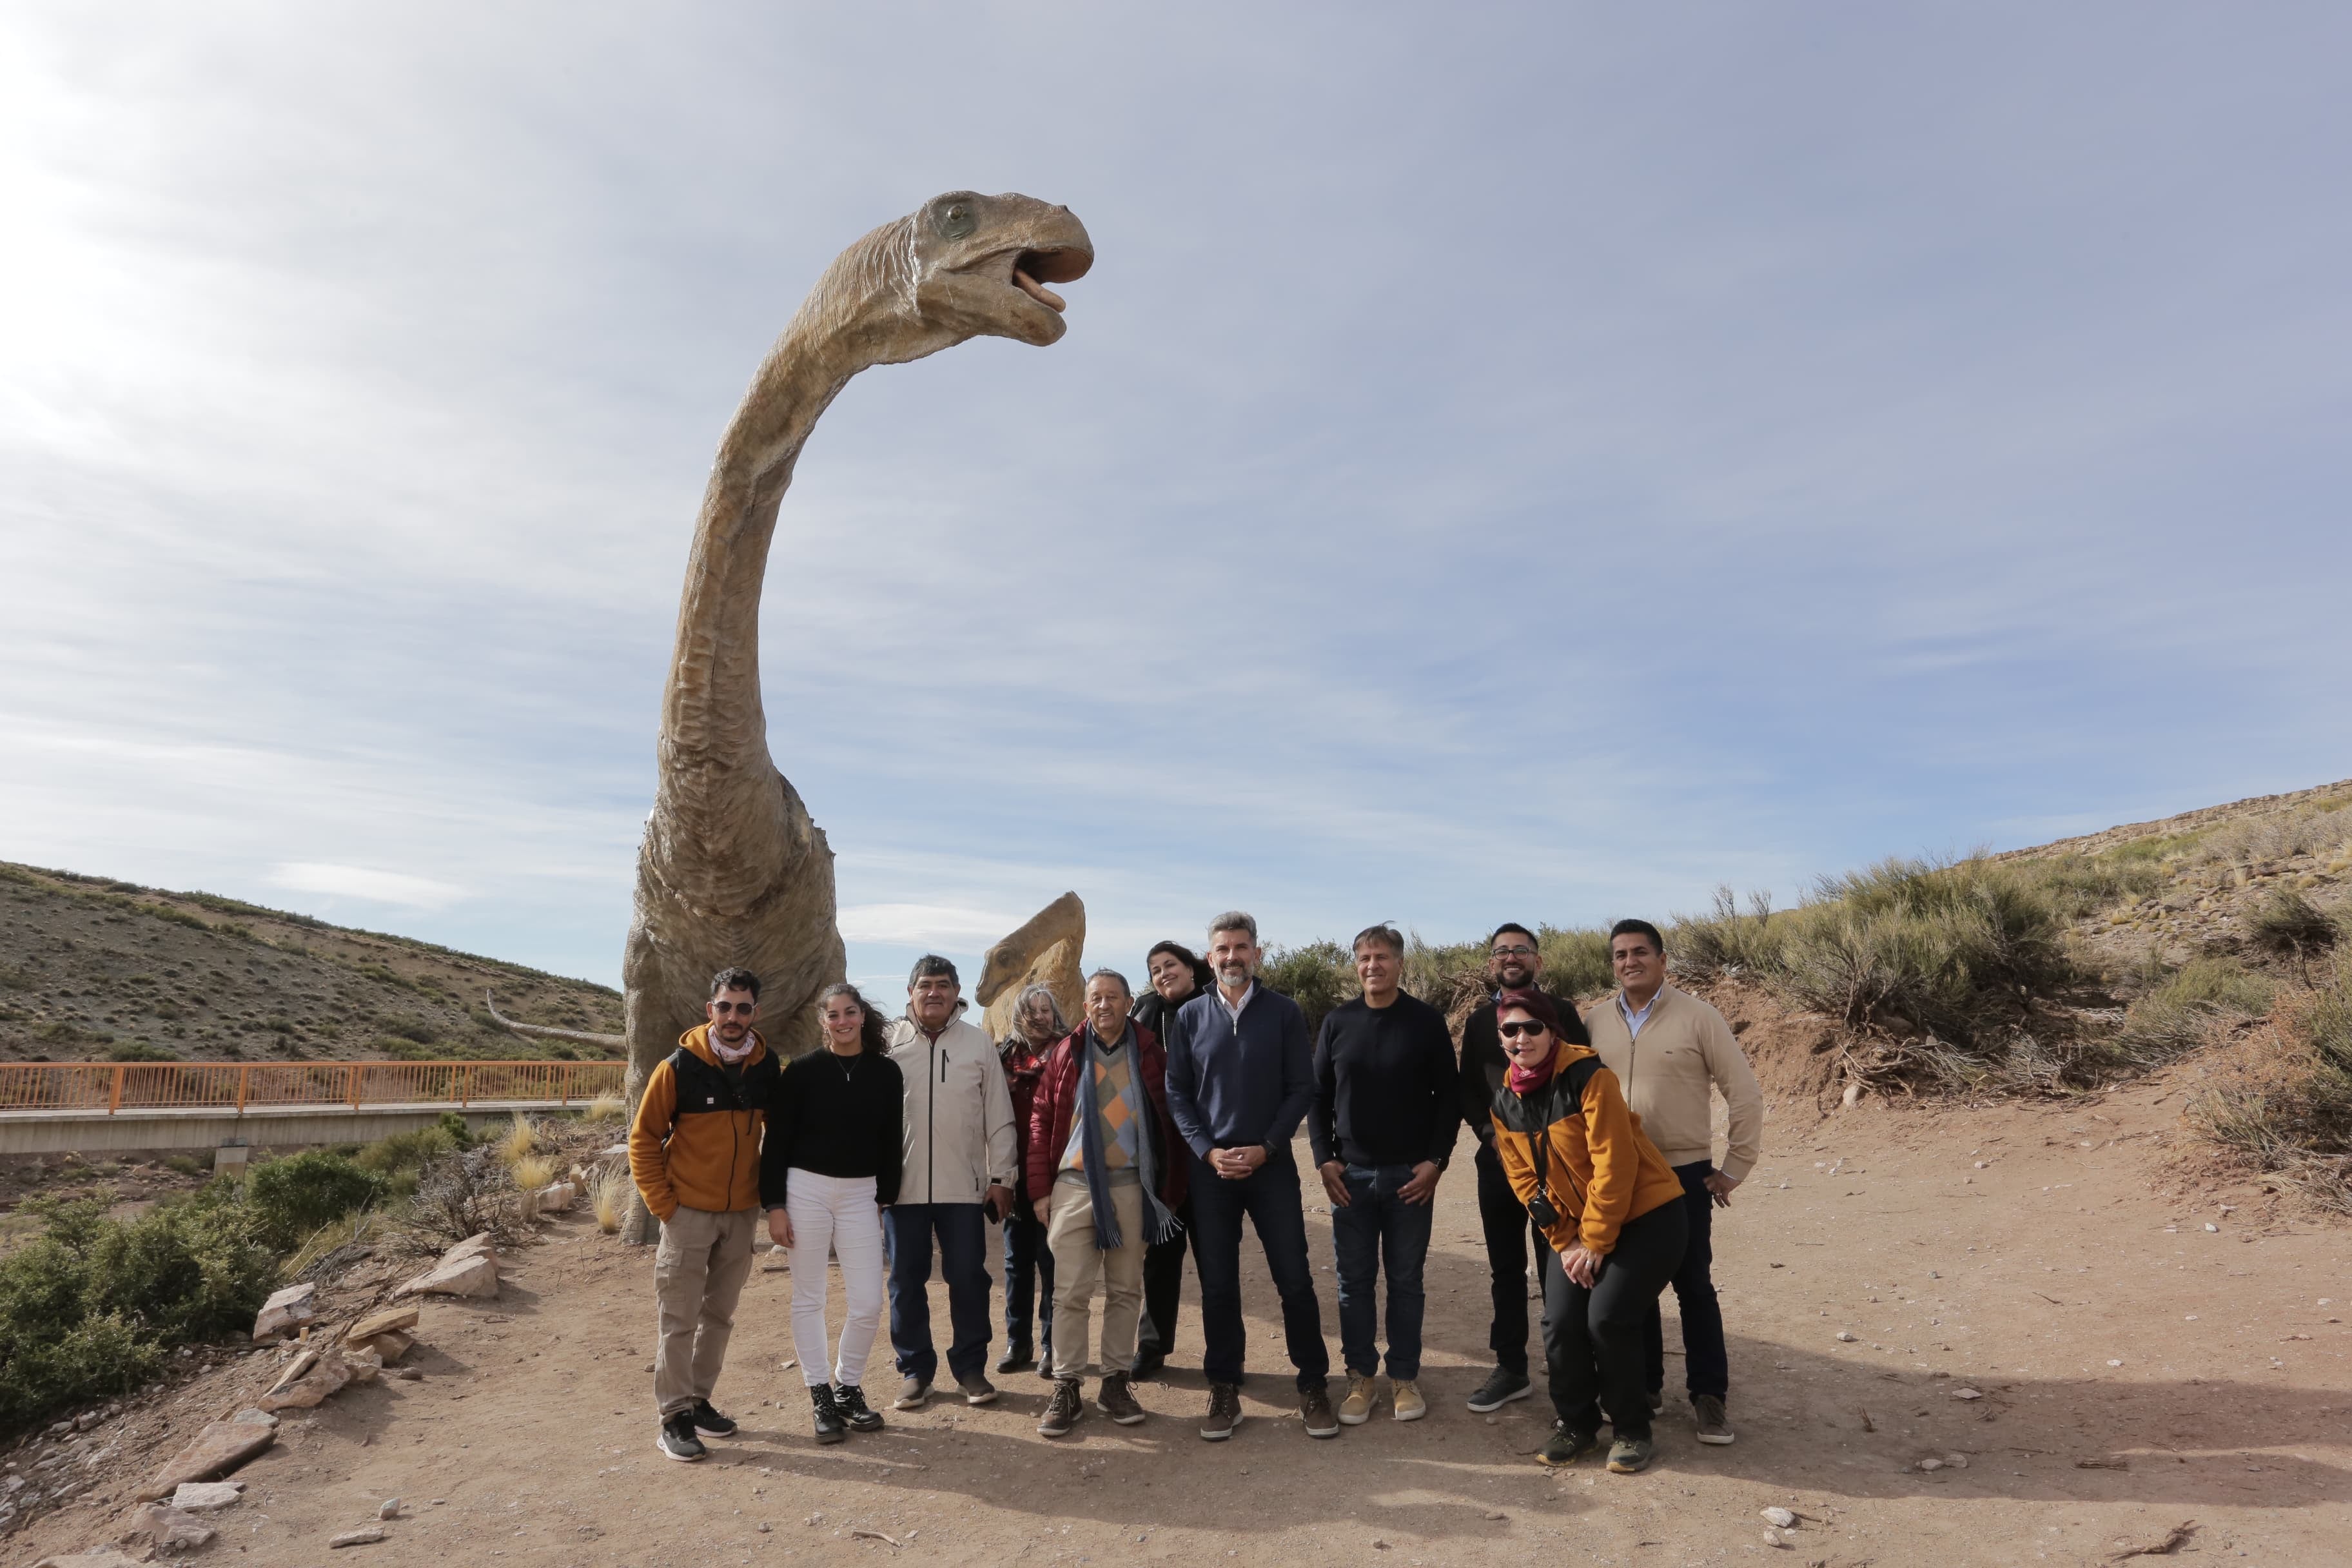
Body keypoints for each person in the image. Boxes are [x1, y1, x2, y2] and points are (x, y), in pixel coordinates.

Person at [1582, 919, 1765, 1448]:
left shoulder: (1698, 1017)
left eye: (1640, 952)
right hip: (1616, 1174)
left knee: (1693, 1286)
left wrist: (1736, 1167)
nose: (1629, 962)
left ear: (1663, 960)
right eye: (1620, 955)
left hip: (1682, 1173)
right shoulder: (1594, 1021)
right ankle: (1645, 1390)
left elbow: (1745, 1093)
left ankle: (1709, 1397)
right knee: (1631, 1289)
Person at [1489, 990, 1688, 1475]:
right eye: (1510, 1031)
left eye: (1532, 1028)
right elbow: (1524, 1181)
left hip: (1648, 1217)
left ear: (1552, 1031)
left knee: (1608, 1319)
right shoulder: (1504, 1103)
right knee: (1560, 1322)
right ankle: (1576, 1424)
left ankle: (1632, 1430)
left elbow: (1615, 1165)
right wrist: (1566, 1241)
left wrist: (1596, 1242)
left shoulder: (1589, 1078)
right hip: (1576, 1232)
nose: (1521, 1039)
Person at [1164, 911, 1337, 1442]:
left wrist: (1266, 1148)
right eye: (1223, 949)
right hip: (1211, 1173)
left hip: (1271, 1169)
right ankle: (1223, 1387)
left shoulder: (1284, 1012)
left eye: (1242, 947)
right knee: (1217, 1285)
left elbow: (1300, 1089)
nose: (1233, 956)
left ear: (1257, 954)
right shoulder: (1189, 1017)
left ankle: (1312, 1385)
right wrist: (1207, 1152)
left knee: (1295, 1280)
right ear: (1210, 957)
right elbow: (1177, 1092)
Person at [628, 966, 781, 1463]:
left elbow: (778, 1136)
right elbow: (643, 1139)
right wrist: (664, 1207)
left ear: (755, 1013)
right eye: (724, 1006)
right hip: (688, 1213)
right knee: (679, 1318)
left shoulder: (766, 1065)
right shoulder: (677, 1067)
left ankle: (698, 1401)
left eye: (742, 1008)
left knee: (719, 1316)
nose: (732, 1016)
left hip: (741, 1215)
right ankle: (673, 1417)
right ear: (709, 1009)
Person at [1027, 970, 1188, 1436]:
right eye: (1095, 998)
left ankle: (1115, 1381)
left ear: (1128, 1002)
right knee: (1070, 1292)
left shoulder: (1151, 1054)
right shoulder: (1067, 1052)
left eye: (1112, 998)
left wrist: (1169, 1191)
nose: (1104, 1006)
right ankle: (1068, 1384)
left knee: (1124, 1291)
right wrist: (1040, 1189)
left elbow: (1170, 1122)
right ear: (1084, 1006)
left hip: (1132, 1187)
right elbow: (1041, 1119)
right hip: (1075, 1186)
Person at [1309, 923, 1459, 1424]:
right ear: (1357, 965)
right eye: (1364, 958)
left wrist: (1436, 1161)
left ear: (1400, 963)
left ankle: (1404, 1377)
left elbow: (1449, 1099)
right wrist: (1324, 1157)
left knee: (1406, 1280)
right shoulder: (1337, 1022)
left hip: (1410, 1179)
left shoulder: (1425, 1022)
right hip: (1349, 1177)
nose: (1373, 965)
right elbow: (1318, 1096)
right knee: (1354, 1282)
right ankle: (1360, 1379)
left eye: (1382, 957)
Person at [1456, 923, 1594, 1415]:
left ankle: (1571, 1370)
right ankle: (1512, 1368)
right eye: (1501, 952)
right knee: (1505, 1269)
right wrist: (1492, 1136)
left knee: (1559, 1268)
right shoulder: (1477, 1021)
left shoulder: (1562, 1013)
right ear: (1491, 963)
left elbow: (1582, 1076)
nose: (1511, 957)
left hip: (1556, 1168)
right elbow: (1470, 1088)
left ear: (1538, 960)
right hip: (1498, 1167)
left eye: (1521, 950)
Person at [762, 982, 903, 1444]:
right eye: (833, 1015)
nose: (842, 1021)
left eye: (850, 1012)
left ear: (863, 1016)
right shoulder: (801, 1073)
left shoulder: (886, 1073)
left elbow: (889, 1140)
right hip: (806, 1190)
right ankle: (820, 1394)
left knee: (867, 1302)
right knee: (810, 1297)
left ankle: (848, 1386)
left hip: (862, 1194)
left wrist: (886, 1196)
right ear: (823, 1022)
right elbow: (777, 1143)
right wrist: (775, 1205)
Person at [883, 955, 1019, 1411]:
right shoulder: (888, 1043)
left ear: (956, 991)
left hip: (964, 1188)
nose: (934, 993)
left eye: (943, 985)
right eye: (925, 985)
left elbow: (999, 1116)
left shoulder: (978, 1044)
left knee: (967, 1279)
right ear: (911, 992)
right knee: (905, 1281)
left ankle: (970, 1369)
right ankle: (916, 1371)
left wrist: (1002, 1177)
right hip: (901, 1190)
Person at [1128, 939, 1215, 1378]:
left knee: (1215, 1257)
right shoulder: (1143, 1013)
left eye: (1171, 965)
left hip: (1211, 1155)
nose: (1163, 975)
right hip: (1161, 1157)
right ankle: (1153, 1345)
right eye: (1155, 970)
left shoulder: (1218, 1003)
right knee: (1160, 1256)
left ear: (1192, 968)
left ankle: (1222, 1350)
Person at [995, 983, 1064, 1377]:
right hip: (1015, 1172)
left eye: (1046, 1009)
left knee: (1052, 1261)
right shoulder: (1005, 1057)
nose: (1040, 1017)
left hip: (1056, 1174)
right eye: (1031, 1011)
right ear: (1018, 1017)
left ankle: (1052, 1346)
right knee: (1016, 1263)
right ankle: (1017, 1343)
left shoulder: (1067, 1053)